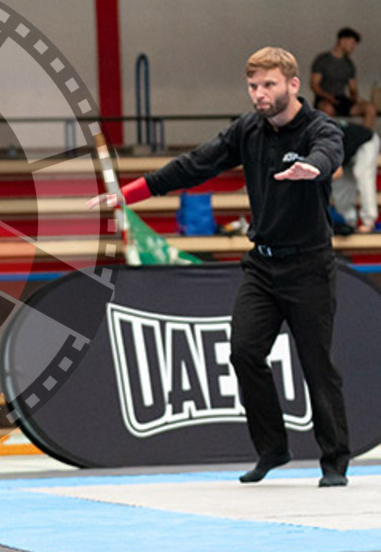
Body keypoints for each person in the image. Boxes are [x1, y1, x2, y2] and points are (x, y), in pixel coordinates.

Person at [90, 47, 350, 487]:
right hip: (263, 267)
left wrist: (314, 167)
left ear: (292, 85)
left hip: (309, 266)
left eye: (268, 85)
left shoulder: (318, 128)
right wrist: (128, 194)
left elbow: (331, 149)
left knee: (316, 363)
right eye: (253, 86)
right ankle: (273, 449)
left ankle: (334, 461)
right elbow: (194, 165)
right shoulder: (248, 130)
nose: (259, 94)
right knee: (244, 351)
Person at [311, 27, 377, 129]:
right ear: (342, 41)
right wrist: (328, 97)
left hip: (342, 99)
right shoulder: (322, 60)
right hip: (324, 99)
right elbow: (314, 85)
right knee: (328, 109)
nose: (353, 47)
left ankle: (363, 139)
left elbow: (352, 88)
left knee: (370, 108)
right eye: (352, 43)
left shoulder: (349, 64)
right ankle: (328, 141)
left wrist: (356, 98)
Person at [332, 121, 378, 234]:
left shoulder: (323, 136)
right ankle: (348, 221)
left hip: (365, 141)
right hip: (347, 152)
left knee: (362, 174)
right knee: (340, 184)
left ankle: (369, 221)